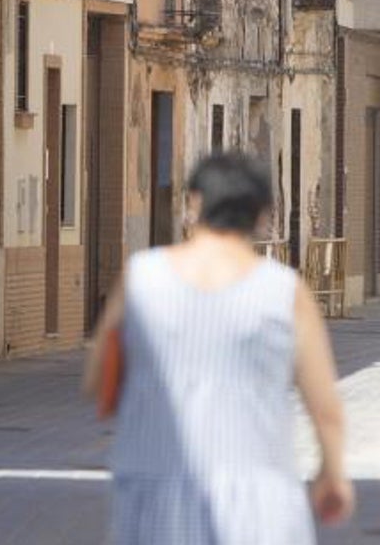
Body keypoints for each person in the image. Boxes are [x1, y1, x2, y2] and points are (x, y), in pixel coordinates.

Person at [84, 152, 354, 544]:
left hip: (155, 500)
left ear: (193, 203)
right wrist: (333, 474)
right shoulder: (283, 291)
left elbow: (95, 381)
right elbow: (325, 407)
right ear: (263, 214)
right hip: (260, 504)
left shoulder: (141, 277)